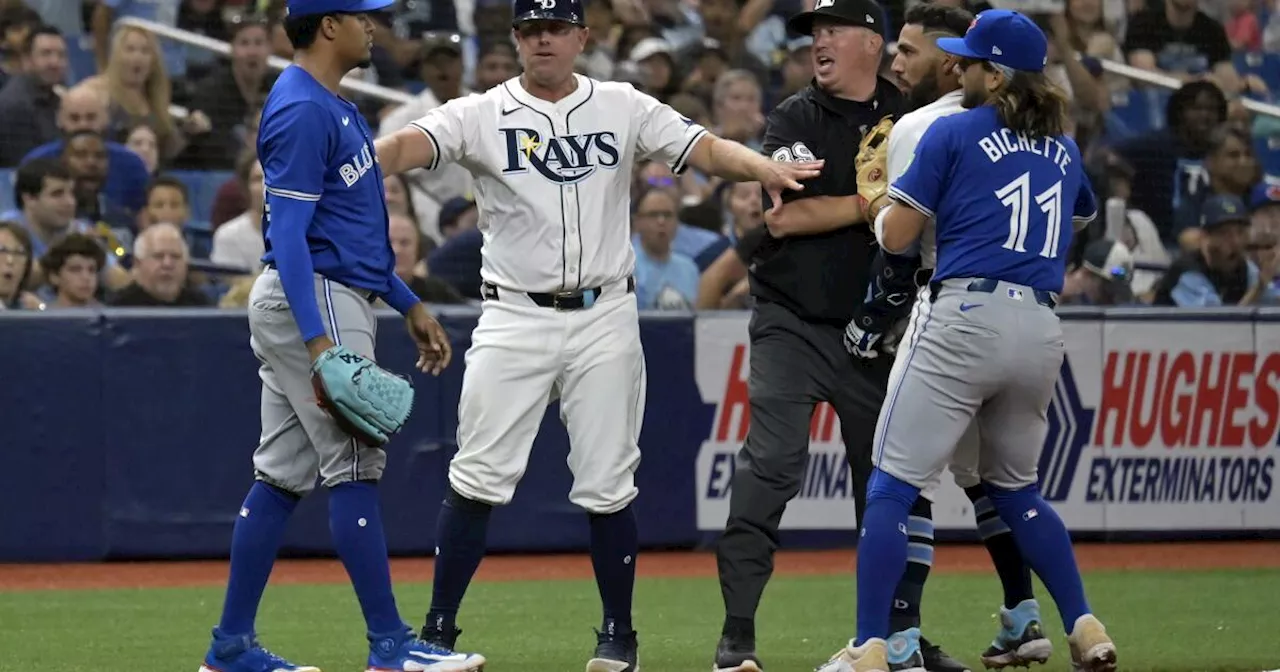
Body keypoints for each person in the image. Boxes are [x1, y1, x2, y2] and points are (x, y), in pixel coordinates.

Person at [372, 0, 822, 667]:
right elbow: (406, 147)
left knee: (609, 482)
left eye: (555, 28)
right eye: (529, 30)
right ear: (515, 39)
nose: (542, 40)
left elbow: (700, 146)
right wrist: (354, 162)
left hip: (604, 311)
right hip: (514, 312)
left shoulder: (622, 103)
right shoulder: (482, 111)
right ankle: (438, 632)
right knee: (476, 475)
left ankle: (618, 635)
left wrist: (762, 168)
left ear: (583, 36)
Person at [819, 10, 1118, 672]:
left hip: (963, 312)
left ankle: (870, 645)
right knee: (1017, 492)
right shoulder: (1063, 147)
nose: (961, 69)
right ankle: (1084, 624)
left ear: (996, 73)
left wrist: (879, 204)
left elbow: (897, 239)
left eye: (972, 61)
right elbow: (1084, 215)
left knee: (892, 487)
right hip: (1039, 322)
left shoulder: (955, 130)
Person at [196, 2, 483, 672]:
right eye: (362, 14)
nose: (374, 25)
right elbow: (289, 238)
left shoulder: (333, 104)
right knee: (355, 469)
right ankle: (391, 648)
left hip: (336, 289)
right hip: (317, 298)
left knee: (280, 477)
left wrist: (408, 301)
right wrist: (319, 343)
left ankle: (230, 646)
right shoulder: (301, 107)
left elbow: (349, 235)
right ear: (329, 25)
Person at [703, 1, 961, 671]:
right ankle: (737, 636)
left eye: (831, 30)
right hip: (790, 320)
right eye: (811, 32)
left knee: (891, 484)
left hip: (874, 327)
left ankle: (897, 639)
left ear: (871, 42)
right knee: (772, 465)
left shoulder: (911, 118)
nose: (817, 41)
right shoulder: (795, 115)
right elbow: (786, 216)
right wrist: (874, 200)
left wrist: (873, 207)